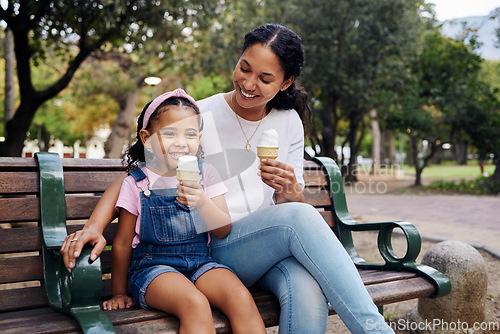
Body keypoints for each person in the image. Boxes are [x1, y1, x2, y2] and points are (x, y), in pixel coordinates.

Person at [61, 24, 394, 333]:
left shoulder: (288, 121)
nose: (249, 84)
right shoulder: (197, 117)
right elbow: (141, 177)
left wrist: (292, 191)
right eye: (244, 68)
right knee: (300, 216)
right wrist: (94, 225)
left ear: (286, 82)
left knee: (307, 288)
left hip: (263, 247)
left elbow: (286, 207)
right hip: (211, 245)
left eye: (265, 78)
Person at [100, 88, 266, 334]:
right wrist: (119, 293)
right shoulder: (137, 183)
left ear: (198, 138)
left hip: (200, 263)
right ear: (147, 138)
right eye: (169, 133)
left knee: (240, 296)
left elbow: (223, 229)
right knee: (195, 303)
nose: (181, 142)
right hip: (153, 269)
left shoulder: (206, 174)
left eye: (190, 134)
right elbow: (123, 243)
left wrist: (201, 201)